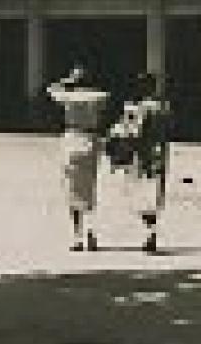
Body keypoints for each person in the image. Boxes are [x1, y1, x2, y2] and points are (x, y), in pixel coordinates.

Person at [108, 73, 174, 253]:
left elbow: (136, 132)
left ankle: (150, 233)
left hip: (144, 153)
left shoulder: (141, 108)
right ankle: (151, 232)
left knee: (140, 193)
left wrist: (121, 149)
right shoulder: (163, 106)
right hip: (160, 151)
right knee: (154, 191)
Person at [48, 65, 110, 252]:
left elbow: (50, 89)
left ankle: (77, 236)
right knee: (90, 187)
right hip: (91, 139)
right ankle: (91, 231)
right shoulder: (99, 96)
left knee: (72, 190)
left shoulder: (67, 96)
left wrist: (66, 81)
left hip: (72, 139)